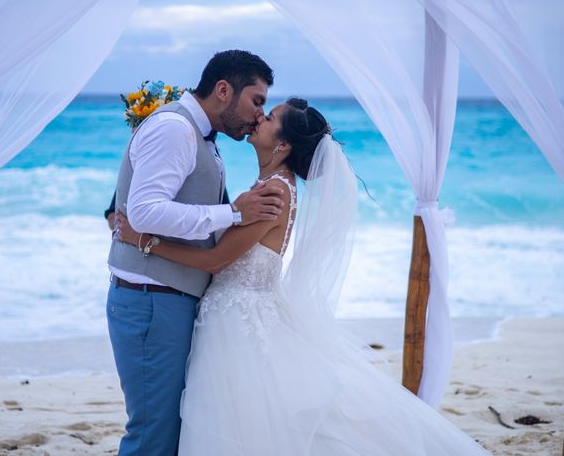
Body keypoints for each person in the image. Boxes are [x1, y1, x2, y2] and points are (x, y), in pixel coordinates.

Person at [113, 98, 490, 455]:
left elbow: (216, 260)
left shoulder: (274, 192)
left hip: (237, 324)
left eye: (271, 117)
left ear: (284, 145)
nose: (260, 117)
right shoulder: (268, 187)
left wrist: (143, 241)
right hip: (237, 316)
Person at [106, 50, 285, 455]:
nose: (260, 114)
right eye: (256, 101)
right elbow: (146, 211)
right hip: (152, 302)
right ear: (224, 90)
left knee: (170, 431)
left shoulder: (199, 135)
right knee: (153, 434)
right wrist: (233, 213)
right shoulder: (175, 129)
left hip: (168, 300)